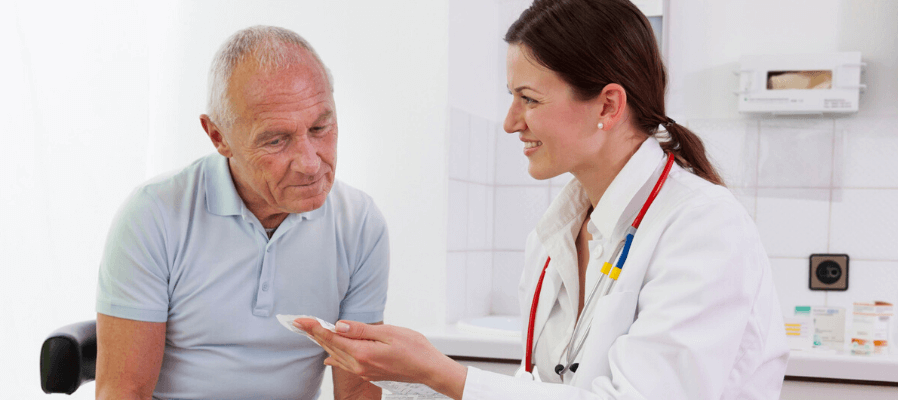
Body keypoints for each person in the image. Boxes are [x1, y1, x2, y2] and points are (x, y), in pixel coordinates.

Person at [295, 0, 789, 399]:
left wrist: (444, 374)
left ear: (608, 105)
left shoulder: (702, 226)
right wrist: (411, 374)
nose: (510, 121)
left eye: (528, 99)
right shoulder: (555, 235)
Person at [95, 26, 388, 400]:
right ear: (218, 137)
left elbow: (358, 391)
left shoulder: (360, 224)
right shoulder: (153, 215)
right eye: (276, 139)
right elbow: (123, 390)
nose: (311, 163)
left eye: (320, 127)